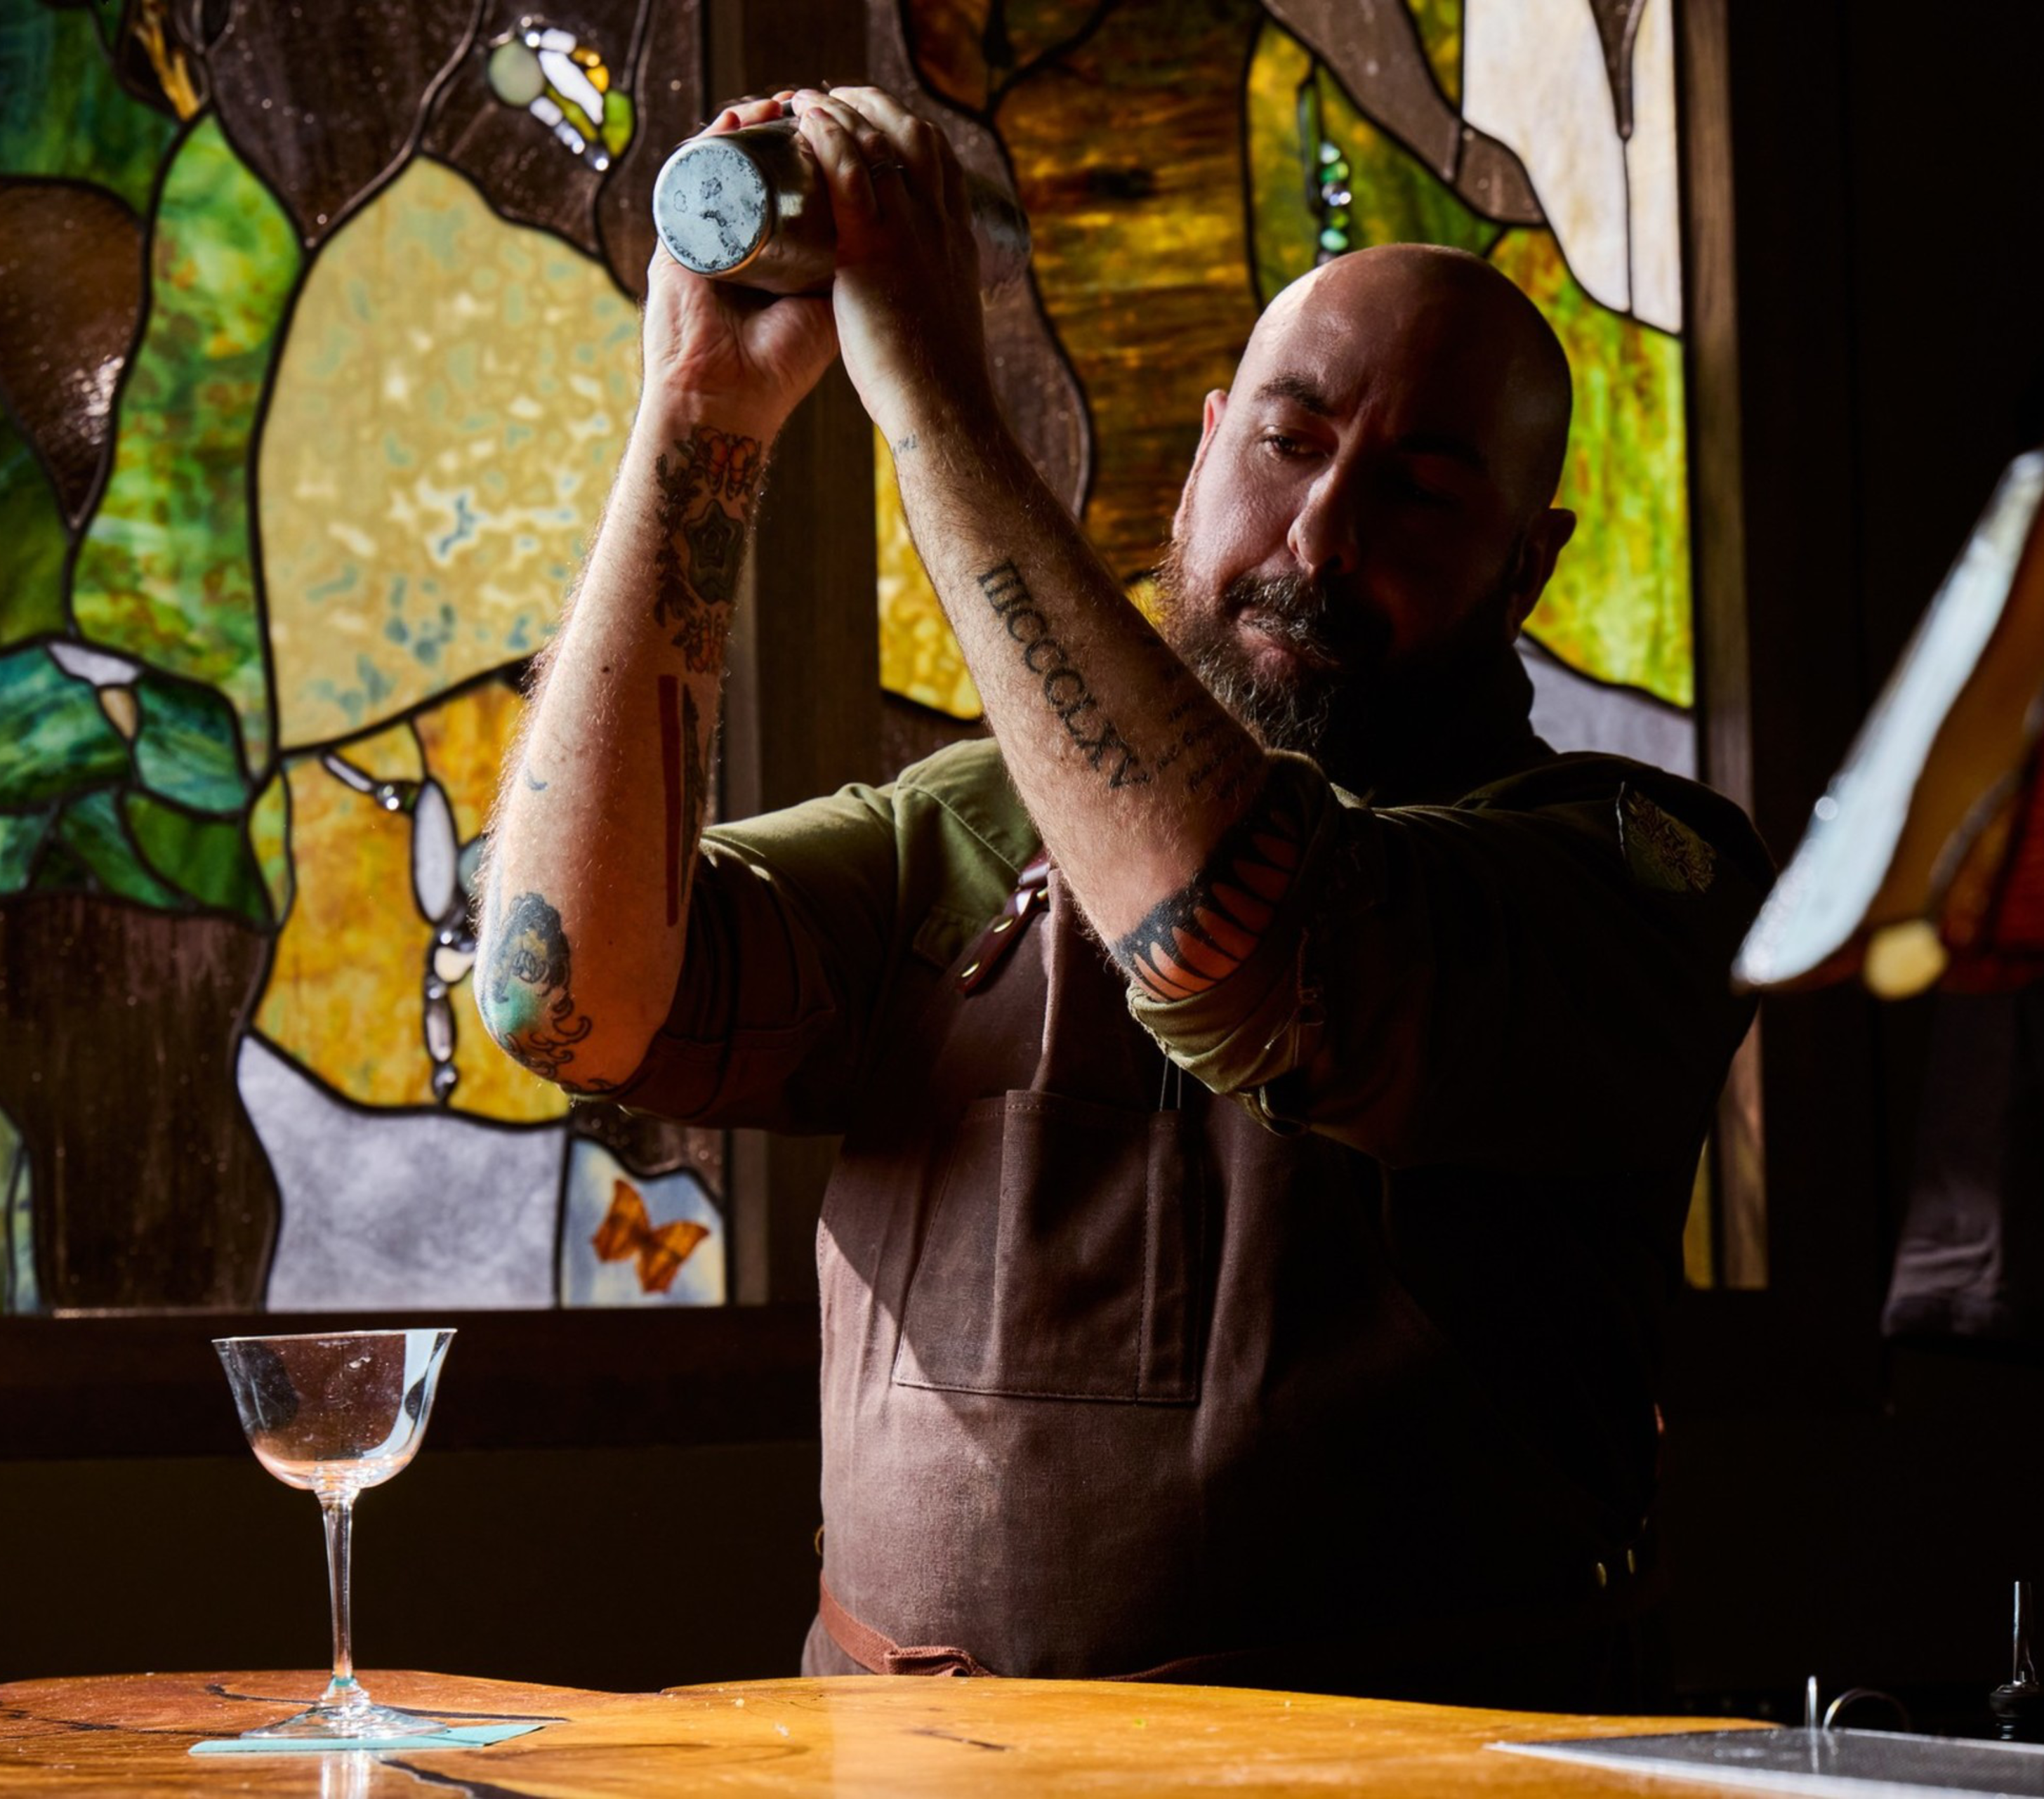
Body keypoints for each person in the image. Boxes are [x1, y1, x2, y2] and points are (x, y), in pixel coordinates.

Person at [477, 86, 1771, 1706]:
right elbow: (561, 995)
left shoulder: (1634, 867)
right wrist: (700, 417)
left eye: (1423, 490)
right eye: (1290, 443)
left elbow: (1241, 936)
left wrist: (934, 404)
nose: (1320, 533)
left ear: (1528, 566)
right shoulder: (954, 830)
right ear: (1201, 455)